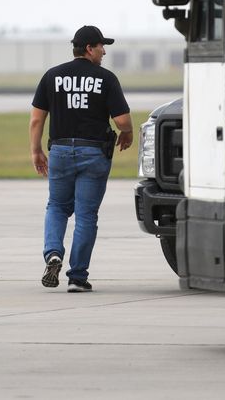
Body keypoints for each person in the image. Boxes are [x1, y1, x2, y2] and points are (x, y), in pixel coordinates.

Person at [29, 25, 134, 292]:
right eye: (101, 46)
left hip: (61, 151)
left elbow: (36, 119)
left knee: (57, 207)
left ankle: (53, 254)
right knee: (86, 215)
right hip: (94, 152)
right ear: (89, 48)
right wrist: (128, 132)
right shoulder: (106, 78)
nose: (104, 51)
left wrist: (36, 150)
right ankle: (77, 276)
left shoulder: (52, 76)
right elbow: (121, 120)